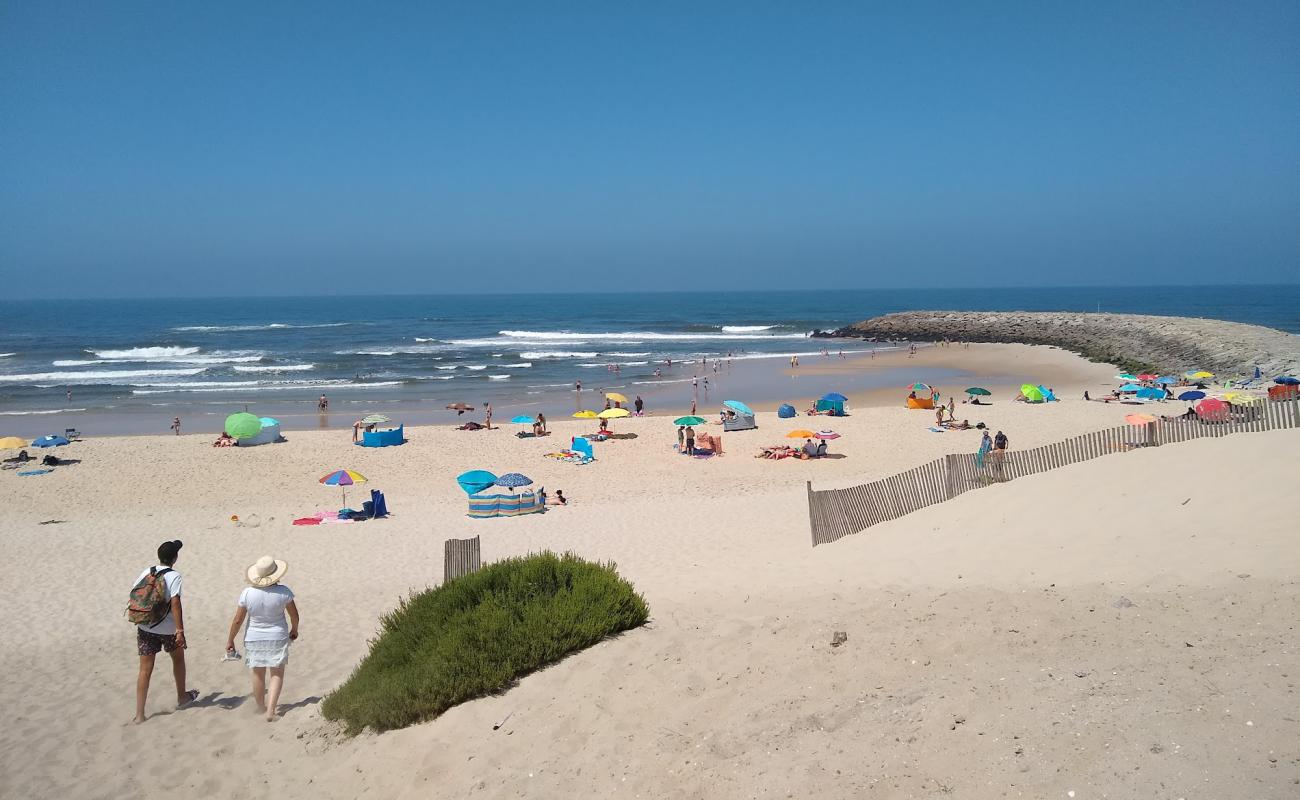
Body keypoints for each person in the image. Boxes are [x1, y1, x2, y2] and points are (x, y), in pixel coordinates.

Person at [225, 555, 298, 722]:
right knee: (276, 674)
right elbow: (294, 615)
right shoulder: (284, 592)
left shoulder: (247, 593)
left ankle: (260, 707)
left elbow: (238, 620)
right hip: (277, 636)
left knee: (258, 673)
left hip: (254, 637)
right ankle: (271, 711)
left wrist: (230, 639)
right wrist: (294, 630)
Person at [132, 540, 197, 724]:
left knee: (145, 669)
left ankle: (139, 715)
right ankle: (182, 697)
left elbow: (136, 593)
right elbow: (175, 603)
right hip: (168, 628)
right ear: (175, 558)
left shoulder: (147, 571)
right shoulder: (175, 576)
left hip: (145, 626)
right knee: (178, 660)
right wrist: (180, 630)